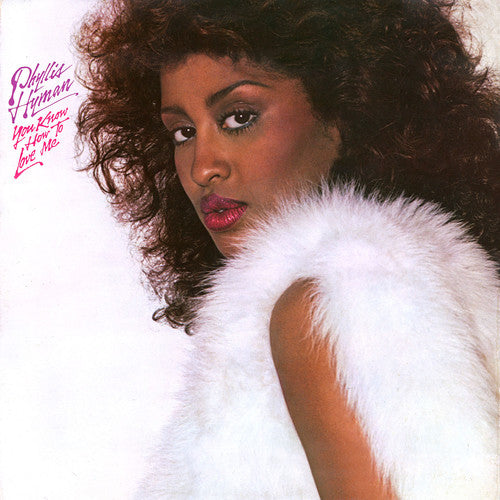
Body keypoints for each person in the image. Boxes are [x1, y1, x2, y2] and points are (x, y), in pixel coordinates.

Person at [76, 0, 499, 498]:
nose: (201, 167)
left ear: (343, 111)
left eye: (239, 117)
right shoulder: (421, 272)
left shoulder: (322, 308)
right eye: (183, 133)